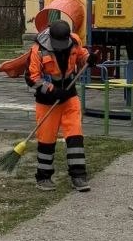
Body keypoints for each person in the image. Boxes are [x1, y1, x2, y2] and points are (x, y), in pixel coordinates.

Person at [28, 18, 91, 193]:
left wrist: (89, 58)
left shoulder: (74, 40)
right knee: (46, 140)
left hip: (70, 96)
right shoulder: (38, 50)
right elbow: (32, 78)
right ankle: (43, 177)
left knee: (75, 136)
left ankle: (78, 176)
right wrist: (52, 90)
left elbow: (81, 55)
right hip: (48, 101)